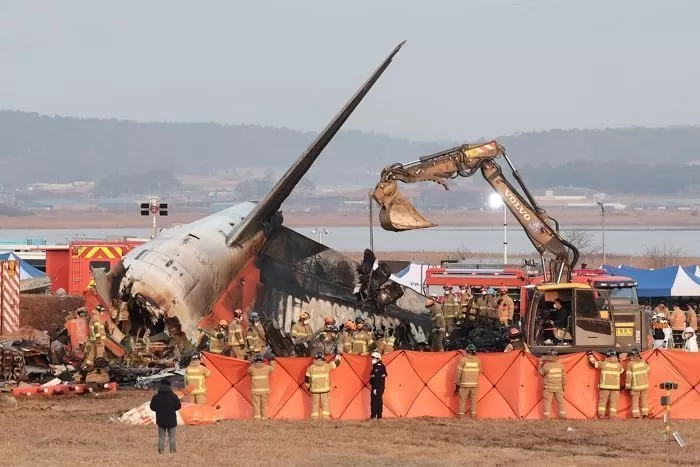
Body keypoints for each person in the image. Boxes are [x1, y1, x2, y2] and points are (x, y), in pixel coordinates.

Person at [587, 348, 623, 419]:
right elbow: (622, 372)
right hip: (615, 388)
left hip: (604, 388)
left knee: (602, 402)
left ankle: (601, 415)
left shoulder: (603, 364)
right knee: (613, 403)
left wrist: (590, 355)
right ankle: (612, 417)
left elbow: (593, 364)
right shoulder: (619, 365)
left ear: (607, 355)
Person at [305, 350, 341, 420]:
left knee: (315, 405)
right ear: (323, 357)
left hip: (314, 390)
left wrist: (308, 388)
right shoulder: (327, 366)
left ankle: (314, 421)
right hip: (325, 390)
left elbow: (306, 379)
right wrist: (338, 356)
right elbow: (337, 363)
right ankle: (325, 419)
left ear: (315, 358)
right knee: (325, 405)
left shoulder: (311, 368)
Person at [149, 380, 181, 454]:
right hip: (171, 419)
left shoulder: (156, 397)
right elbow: (178, 406)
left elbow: (152, 407)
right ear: (169, 387)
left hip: (160, 420)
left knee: (161, 437)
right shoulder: (173, 396)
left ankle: (161, 453)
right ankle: (173, 452)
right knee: (172, 438)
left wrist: (159, 409)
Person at [539, 348, 566, 419]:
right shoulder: (561, 365)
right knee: (561, 402)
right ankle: (562, 416)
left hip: (548, 388)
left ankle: (547, 416)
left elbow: (540, 372)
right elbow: (564, 378)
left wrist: (540, 362)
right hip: (559, 388)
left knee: (547, 402)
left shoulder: (546, 366)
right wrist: (563, 386)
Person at [454, 344, 480, 418]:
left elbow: (458, 373)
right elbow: (479, 372)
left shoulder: (463, 360)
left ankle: (461, 417)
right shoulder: (478, 360)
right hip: (474, 385)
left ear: (467, 351)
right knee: (473, 401)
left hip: (464, 384)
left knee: (462, 401)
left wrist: (457, 385)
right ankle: (473, 416)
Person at [247, 354, 275, 420]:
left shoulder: (251, 368)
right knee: (264, 404)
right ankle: (264, 417)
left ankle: (257, 418)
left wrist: (251, 364)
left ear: (255, 361)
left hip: (255, 390)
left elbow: (249, 372)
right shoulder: (267, 367)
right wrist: (271, 361)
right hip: (265, 390)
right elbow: (273, 369)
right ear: (262, 360)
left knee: (256, 404)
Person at [625, 348, 650, 419]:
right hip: (645, 386)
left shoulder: (630, 364)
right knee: (644, 400)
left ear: (632, 356)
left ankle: (636, 415)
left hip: (635, 387)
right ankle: (645, 414)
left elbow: (628, 377)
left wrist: (627, 387)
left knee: (635, 402)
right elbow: (648, 370)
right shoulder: (643, 362)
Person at [369, 351, 387, 419]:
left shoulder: (378, 367)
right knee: (378, 401)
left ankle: (374, 416)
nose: (372, 360)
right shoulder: (377, 366)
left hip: (377, 387)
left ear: (378, 359)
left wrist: (375, 388)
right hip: (379, 387)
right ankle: (379, 416)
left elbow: (376, 379)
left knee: (375, 402)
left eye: (374, 358)